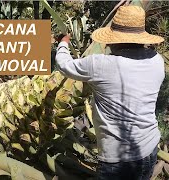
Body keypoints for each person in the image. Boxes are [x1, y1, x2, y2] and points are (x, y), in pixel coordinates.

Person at [56, 5, 165, 180]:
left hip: (118, 159)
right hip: (149, 147)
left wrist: (63, 43)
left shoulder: (100, 65)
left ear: (115, 40)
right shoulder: (156, 61)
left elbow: (64, 65)